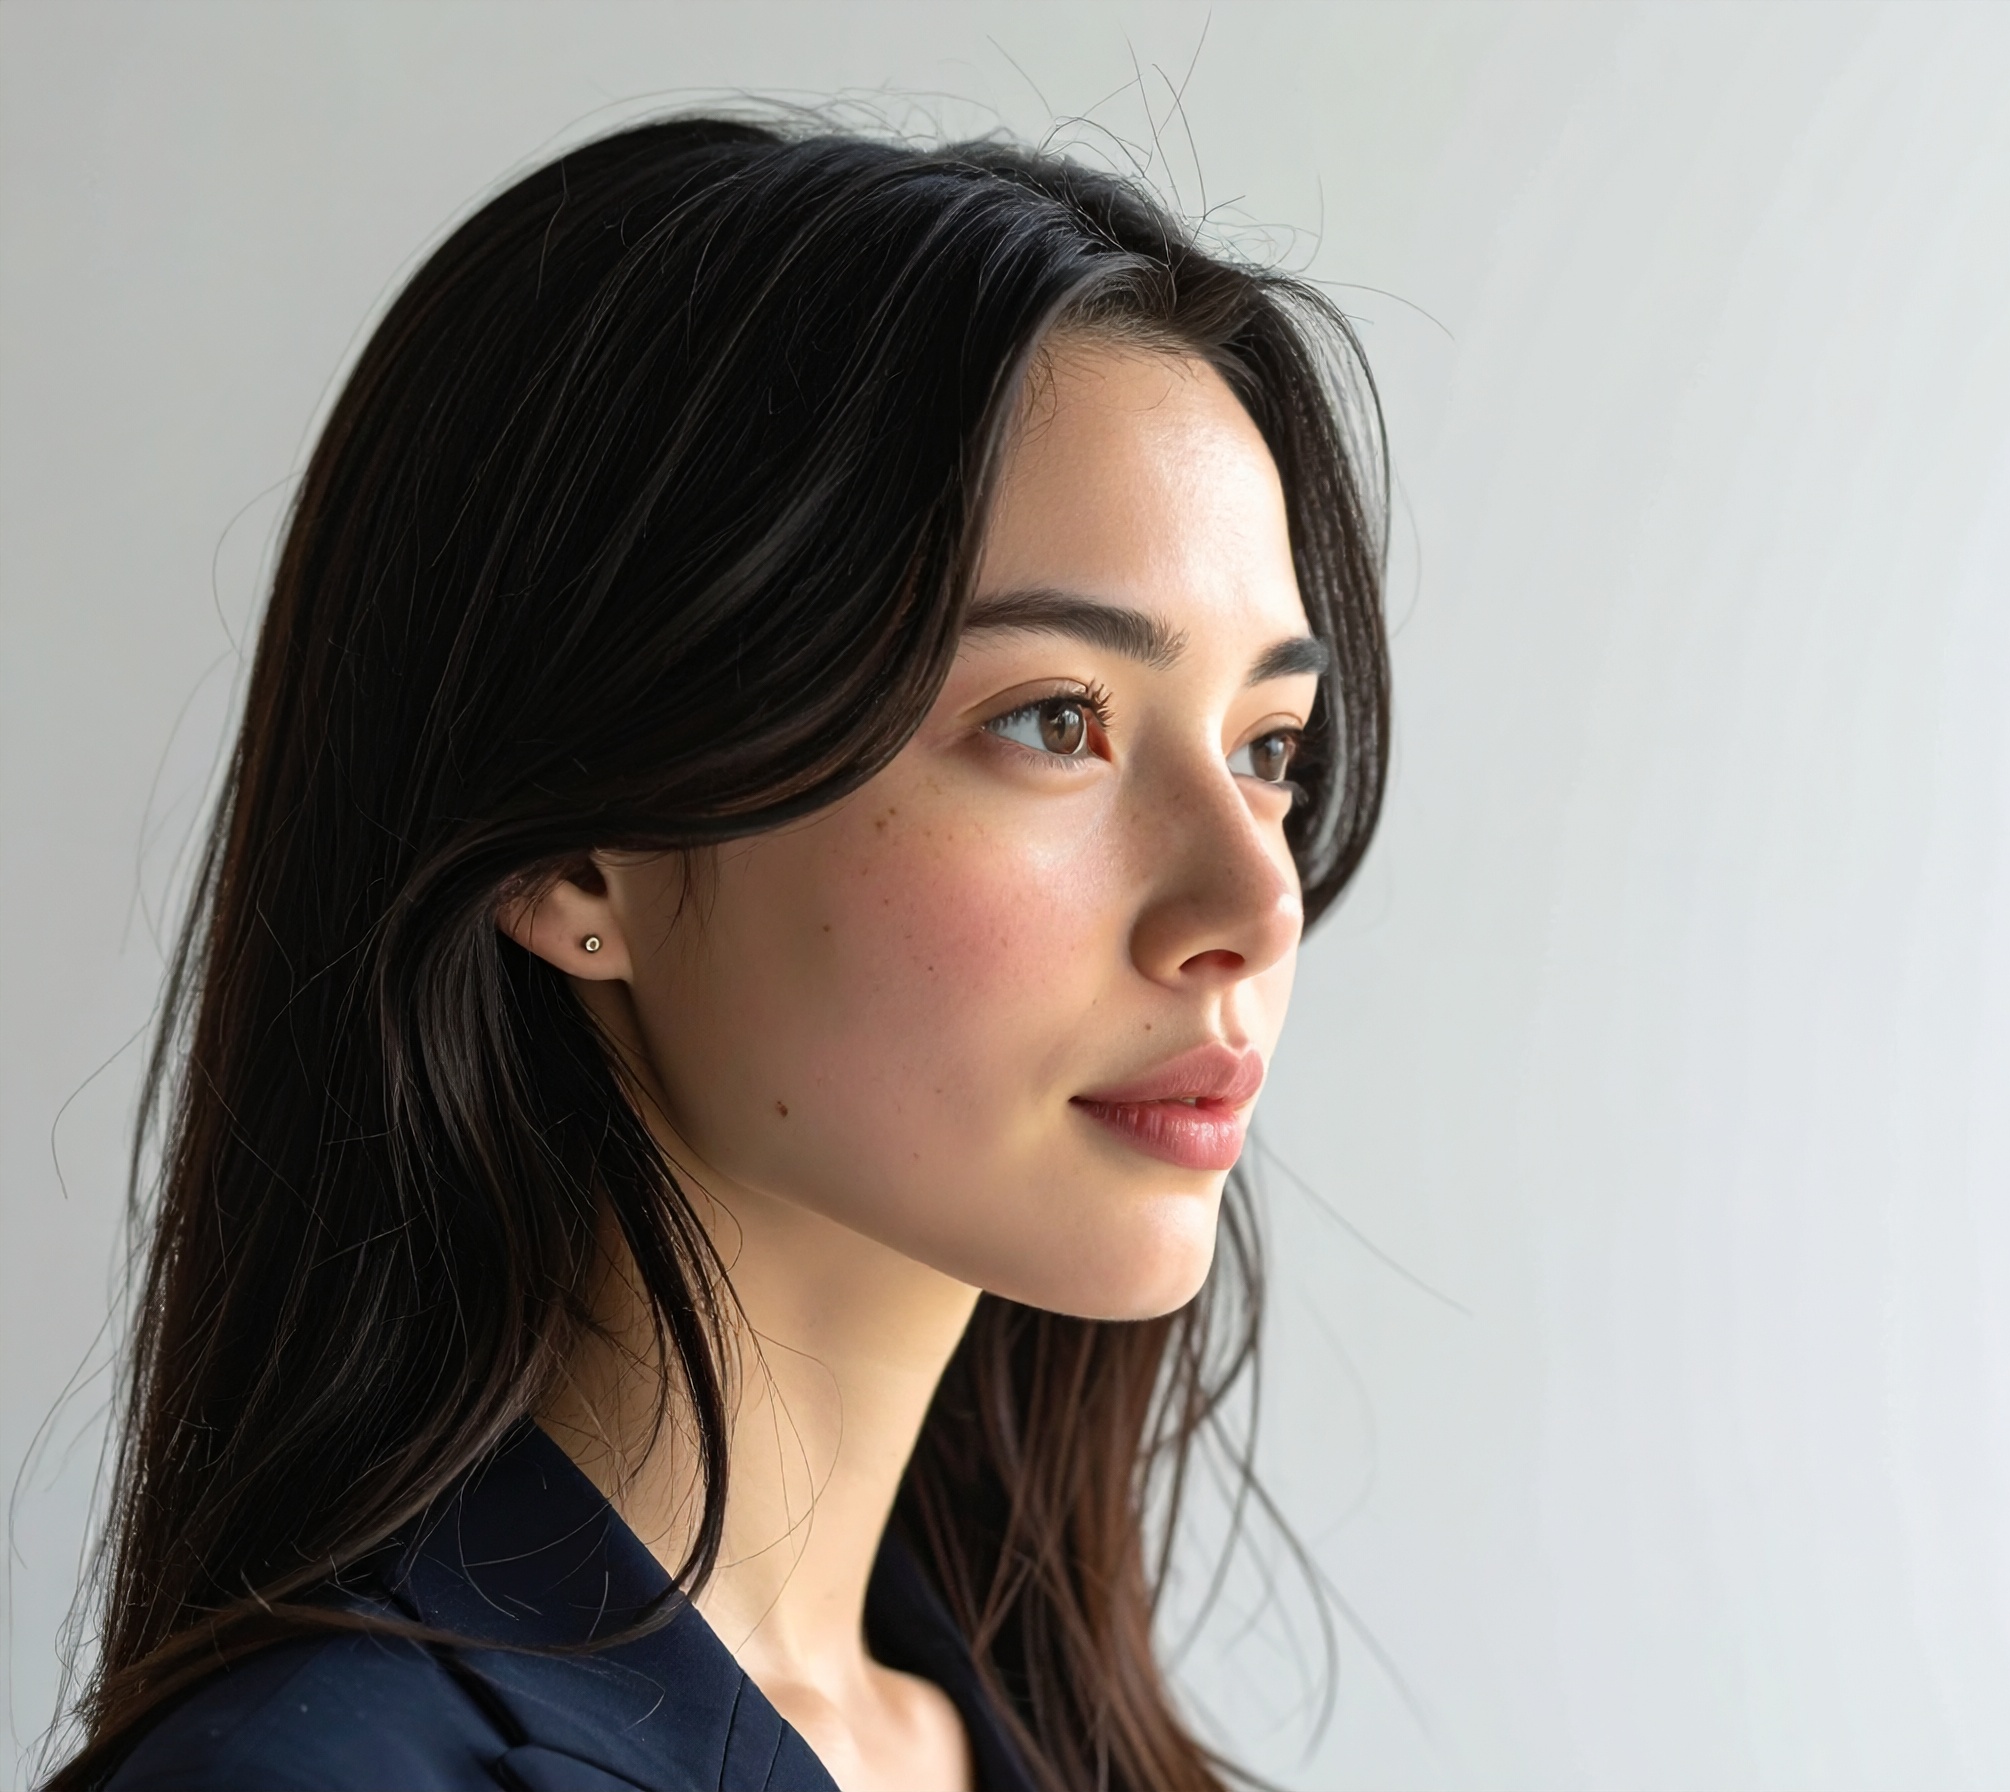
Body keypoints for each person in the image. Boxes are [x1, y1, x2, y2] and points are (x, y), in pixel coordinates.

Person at [48, 112, 1389, 1792]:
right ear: (577, 849)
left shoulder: (1061, 1751)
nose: (1256, 905)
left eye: (1270, 747)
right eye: (1057, 721)